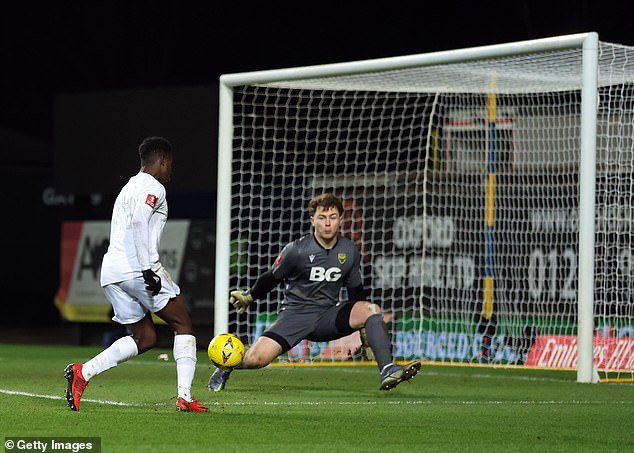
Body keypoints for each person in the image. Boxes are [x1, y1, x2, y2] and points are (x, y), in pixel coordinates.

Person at [208, 192, 421, 392]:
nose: (327, 223)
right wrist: (249, 296)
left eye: (332, 217)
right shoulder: (297, 250)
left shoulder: (349, 250)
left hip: (328, 317)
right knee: (257, 359)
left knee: (372, 309)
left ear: (340, 220)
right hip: (295, 315)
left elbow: (356, 292)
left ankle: (387, 370)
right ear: (312, 220)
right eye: (322, 217)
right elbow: (272, 277)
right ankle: (228, 364)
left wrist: (364, 333)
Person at [64, 136, 207, 412]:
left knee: (145, 338)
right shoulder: (154, 187)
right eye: (171, 164)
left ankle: (83, 372)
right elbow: (141, 220)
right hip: (137, 269)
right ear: (163, 161)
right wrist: (145, 268)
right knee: (183, 324)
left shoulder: (128, 187)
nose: (171, 171)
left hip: (112, 272)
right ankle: (185, 397)